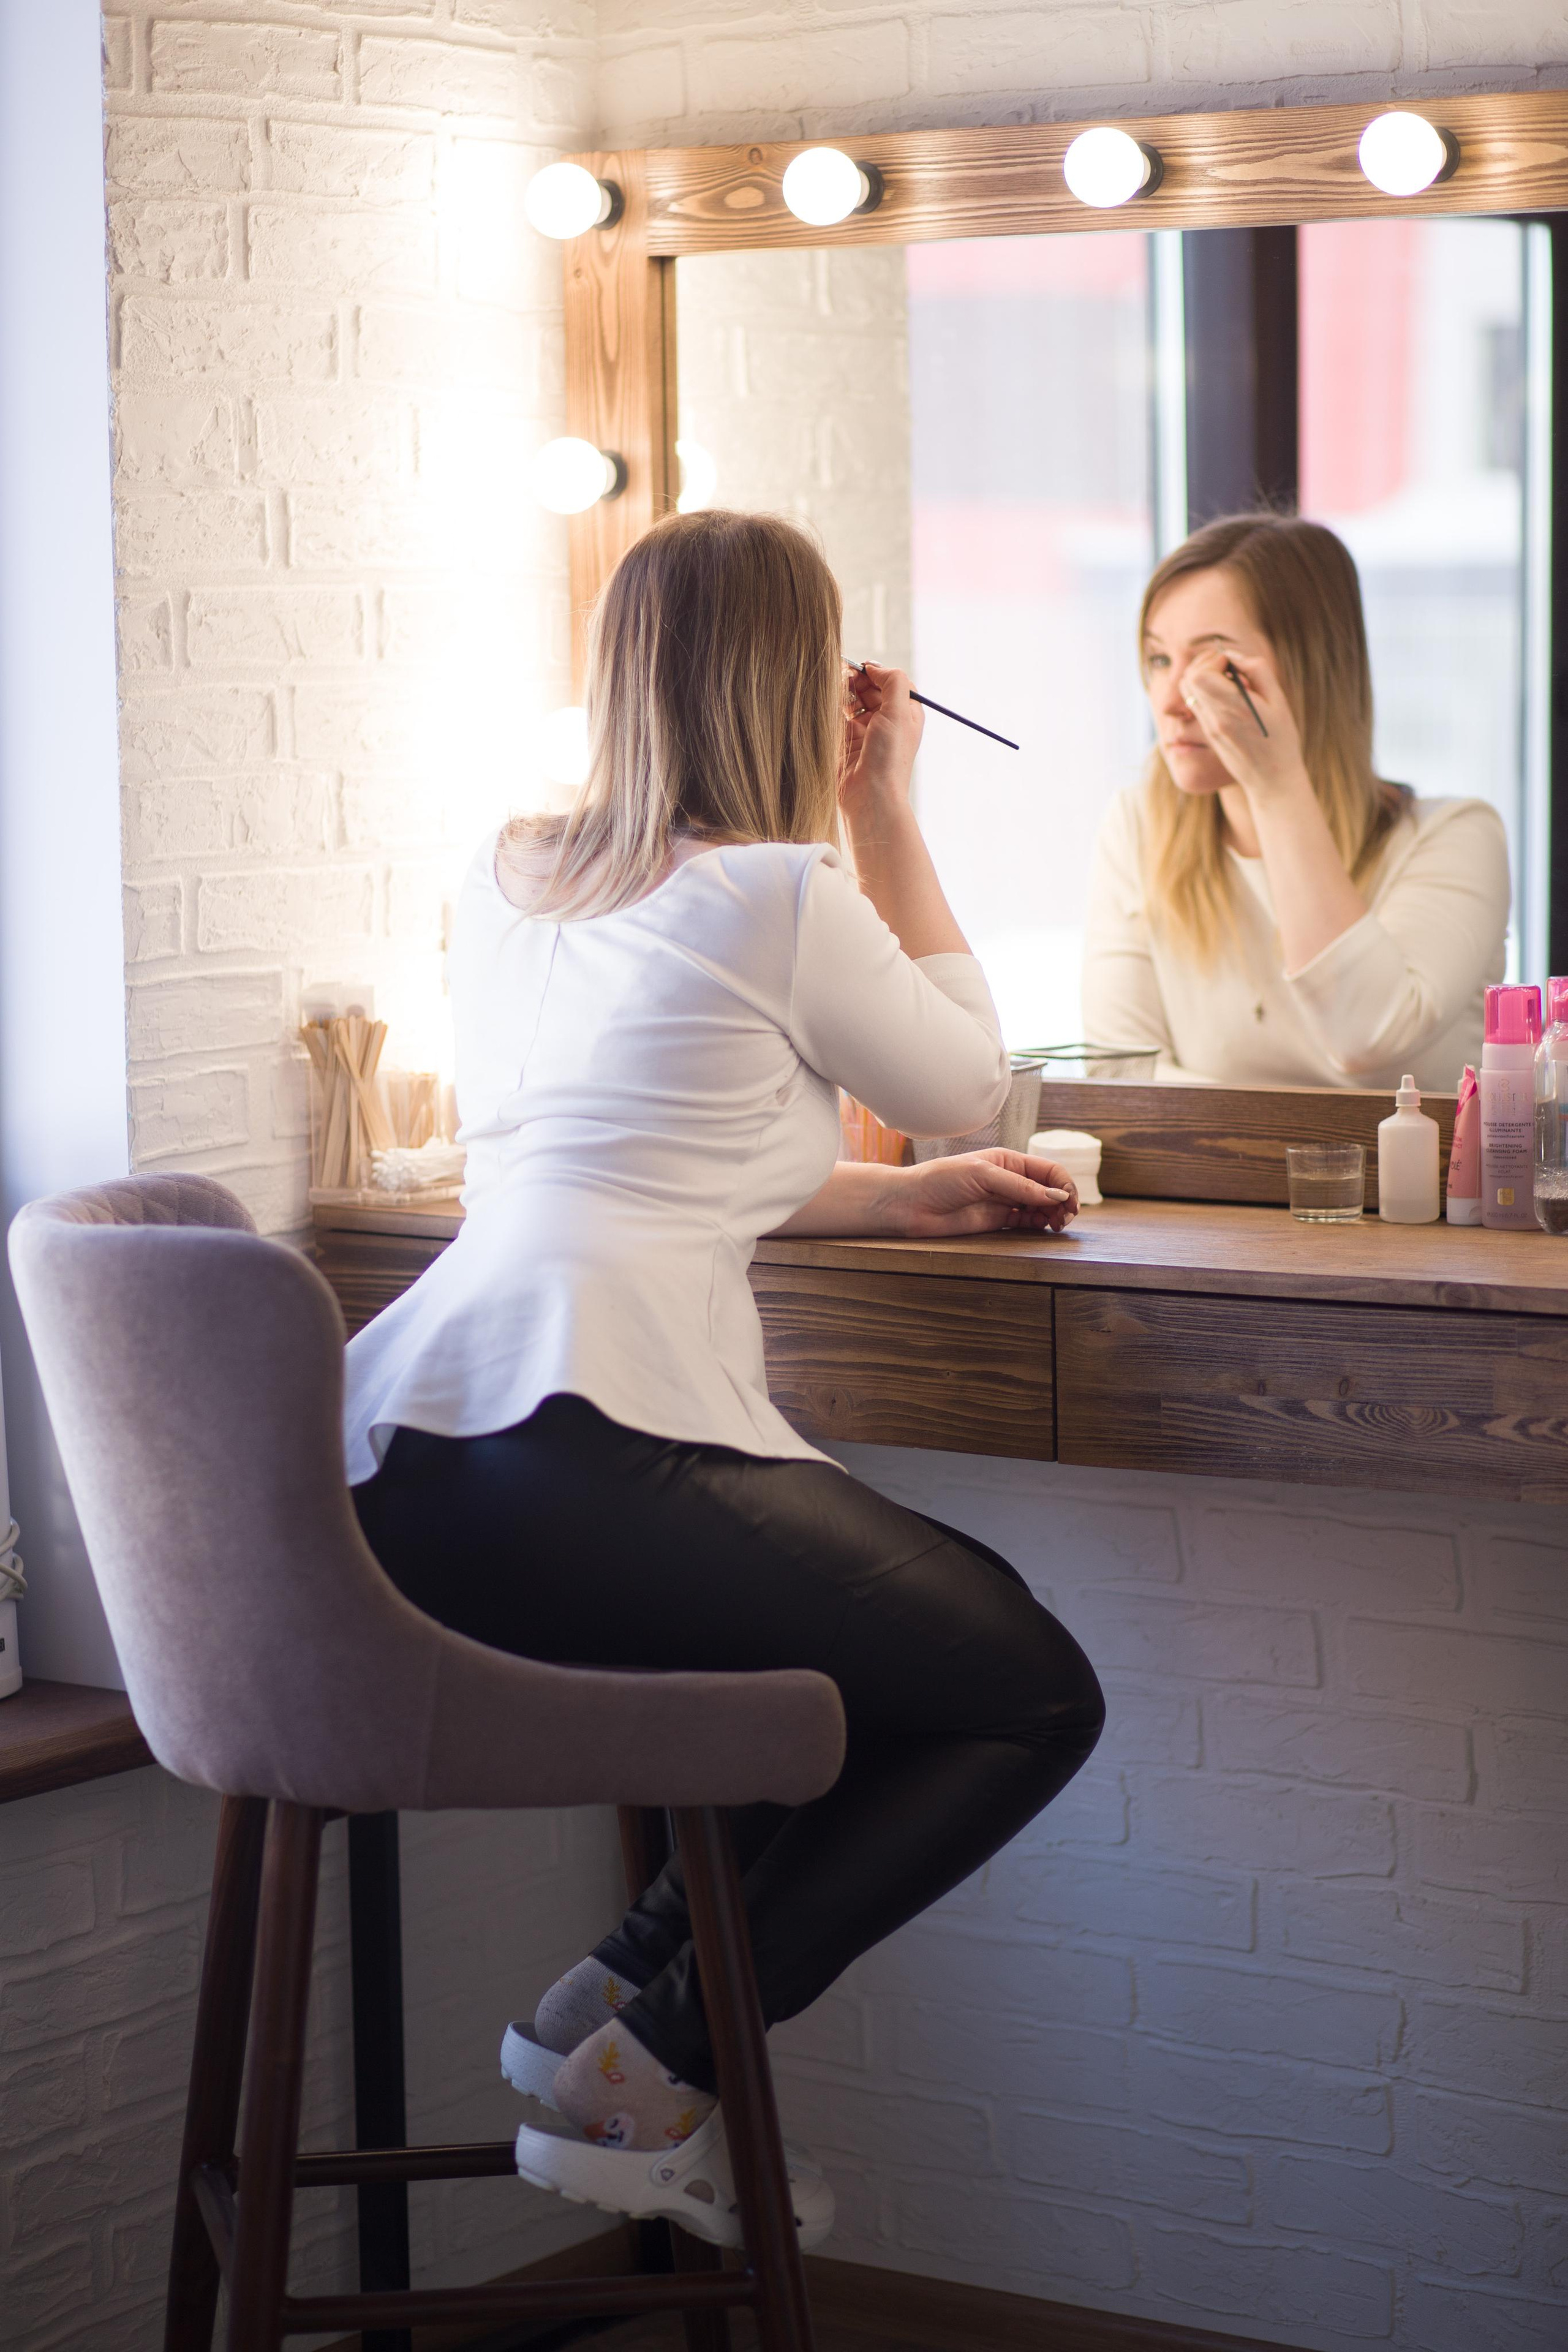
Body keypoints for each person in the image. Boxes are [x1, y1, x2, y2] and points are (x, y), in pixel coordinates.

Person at [345, 510, 1104, 2242]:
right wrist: (889, 803)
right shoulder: (780, 888)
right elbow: (974, 1076)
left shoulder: (515, 871)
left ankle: (600, 2008)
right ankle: (650, 2062)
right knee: (1022, 1693)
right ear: (798, 687)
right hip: (594, 1440)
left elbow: (601, 1156)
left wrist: (888, 1200)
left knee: (880, 1672)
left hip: (408, 1461)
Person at [1082, 512, 1510, 1089]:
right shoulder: (1139, 827)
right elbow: (1118, 1076)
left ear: (1312, 671)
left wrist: (1276, 782)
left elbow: (1368, 1036)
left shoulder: (1458, 838)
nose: (1171, 700)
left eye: (1216, 665)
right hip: (1202, 1182)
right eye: (1160, 660)